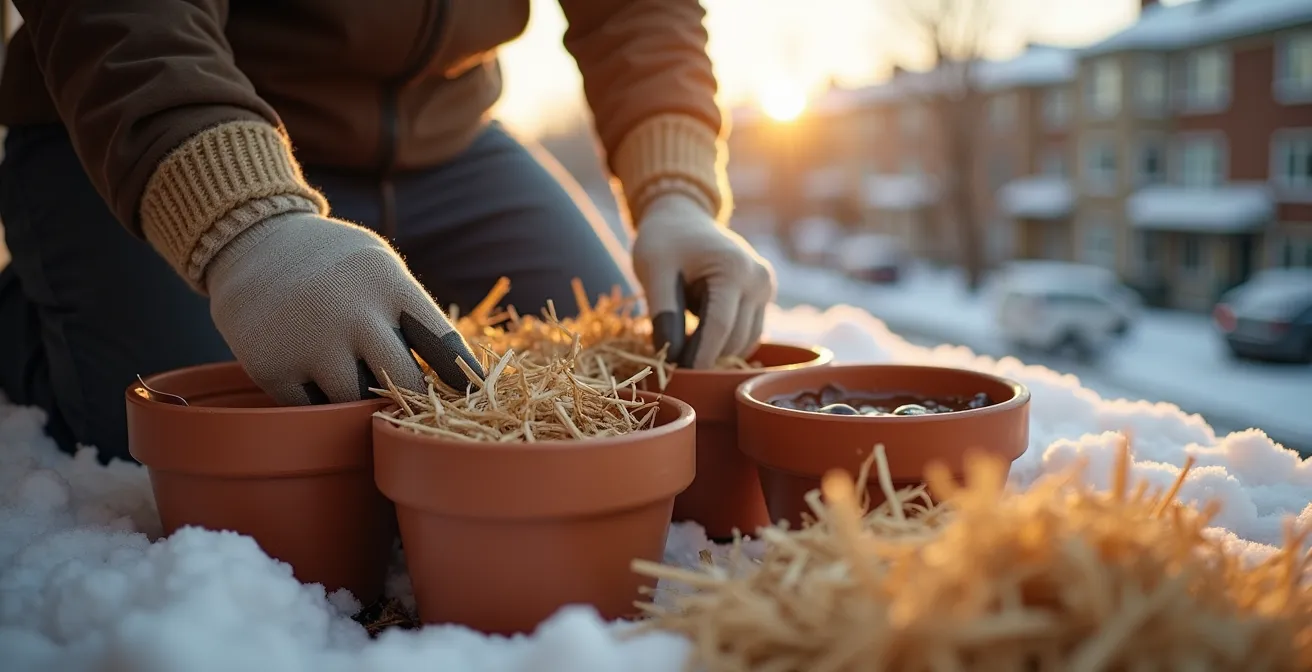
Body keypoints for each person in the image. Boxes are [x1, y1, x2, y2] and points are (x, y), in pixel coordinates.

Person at [0, 0, 777, 464]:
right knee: (202, 436)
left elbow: (637, 14)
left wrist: (675, 191)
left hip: (449, 142)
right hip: (161, 126)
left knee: (608, 379)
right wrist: (244, 226)